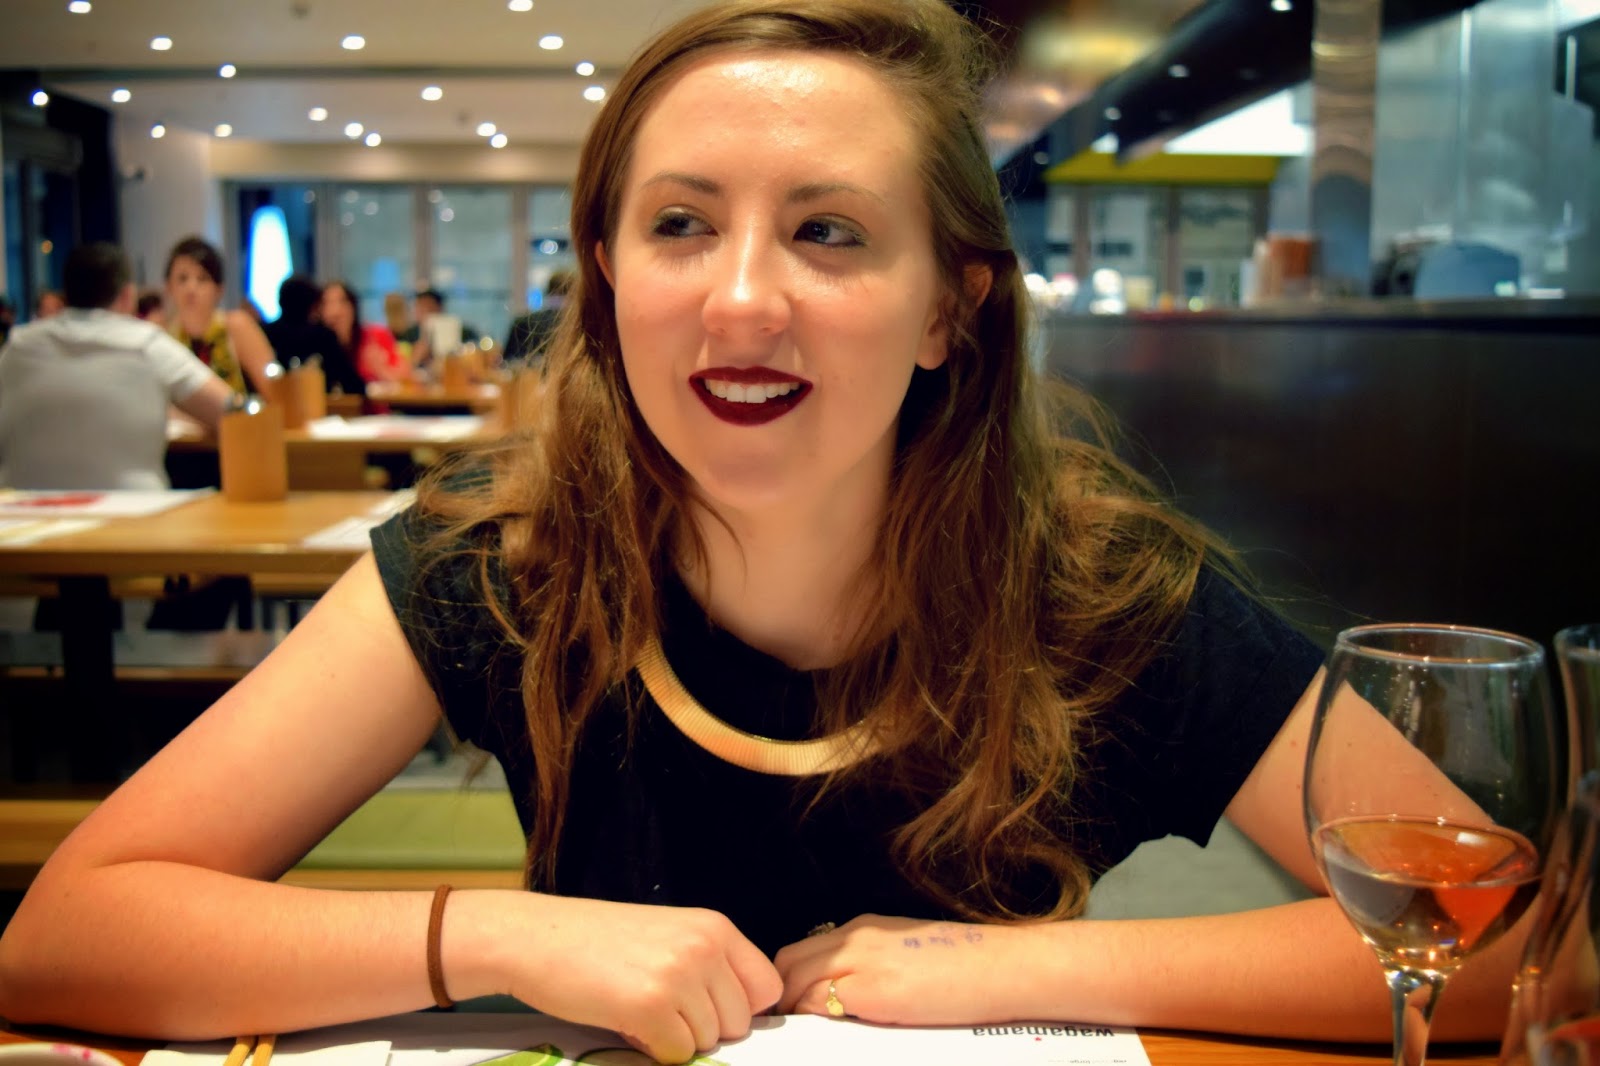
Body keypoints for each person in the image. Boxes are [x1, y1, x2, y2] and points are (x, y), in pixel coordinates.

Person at [0, 0, 1532, 1061]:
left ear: (948, 308)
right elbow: (70, 930)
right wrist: (500, 934)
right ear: (609, 277)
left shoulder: (1099, 591)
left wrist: (1018, 966)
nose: (740, 298)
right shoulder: (500, 561)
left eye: (827, 230)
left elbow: (1521, 938)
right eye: (680, 224)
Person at [0, 242, 231, 490]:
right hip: (134, 508)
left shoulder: (18, 347)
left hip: (24, 508)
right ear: (127, 296)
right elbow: (234, 412)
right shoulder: (147, 344)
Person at [163, 235, 277, 395]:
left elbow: (274, 390)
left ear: (219, 289)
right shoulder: (164, 337)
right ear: (168, 287)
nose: (191, 288)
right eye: (183, 279)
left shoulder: (237, 326)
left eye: (202, 279)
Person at [261, 274, 364, 396]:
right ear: (313, 304)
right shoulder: (323, 336)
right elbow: (351, 383)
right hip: (319, 404)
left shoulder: (265, 333)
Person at [321, 279, 408, 384]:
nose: (335, 311)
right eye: (327, 303)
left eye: (342, 302)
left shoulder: (374, 336)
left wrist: (380, 370)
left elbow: (406, 377)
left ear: (353, 307)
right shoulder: (318, 347)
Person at [503, 269, 572, 366]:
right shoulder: (577, 326)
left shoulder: (522, 322)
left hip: (524, 373)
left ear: (549, 292)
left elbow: (507, 363)